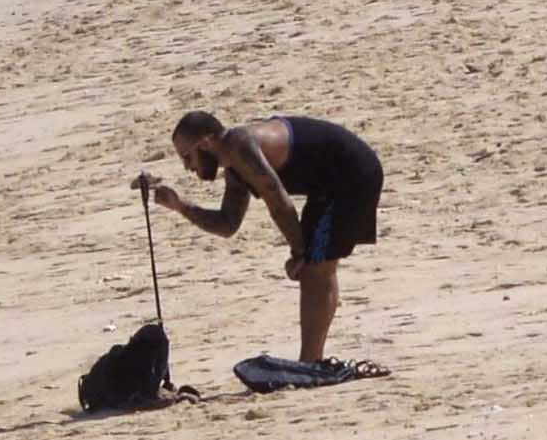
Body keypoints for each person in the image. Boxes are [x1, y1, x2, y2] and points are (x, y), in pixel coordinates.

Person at [146, 110, 382, 366]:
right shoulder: (235, 169)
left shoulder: (240, 143)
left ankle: (311, 364)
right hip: (326, 186)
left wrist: (299, 252)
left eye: (187, 156)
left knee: (316, 268)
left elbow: (278, 200)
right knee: (316, 266)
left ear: (205, 143)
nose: (188, 167)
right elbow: (227, 224)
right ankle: (313, 362)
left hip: (352, 175)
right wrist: (180, 206)